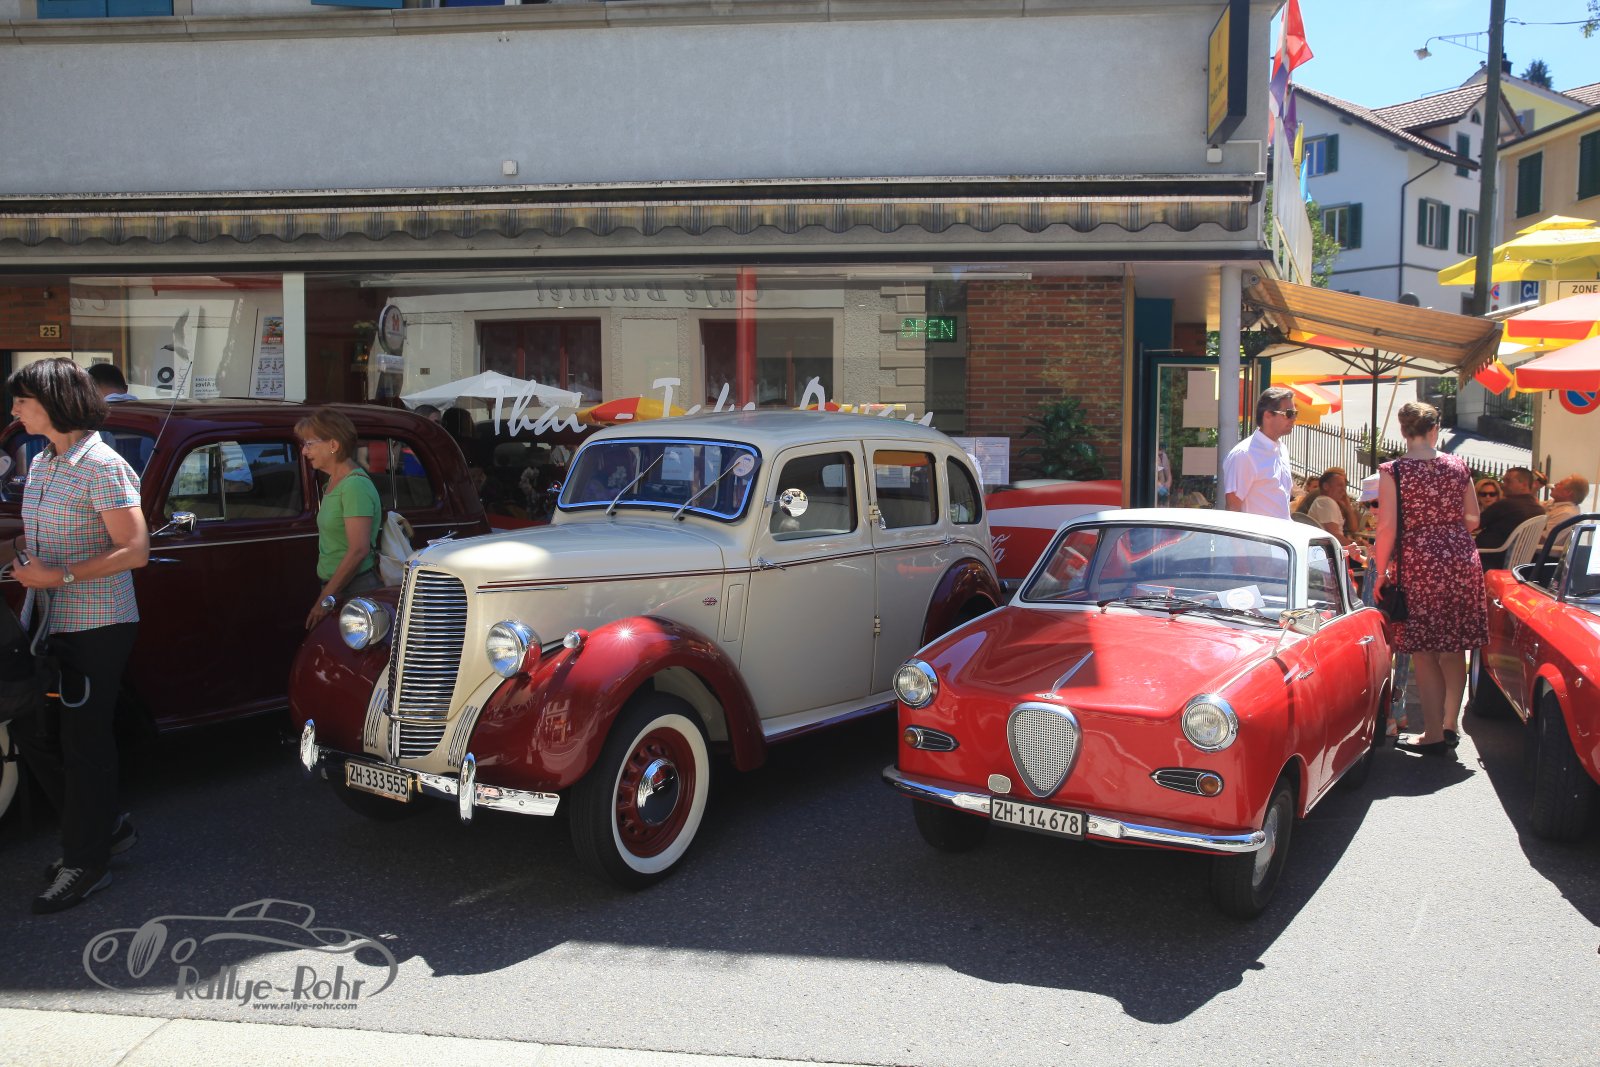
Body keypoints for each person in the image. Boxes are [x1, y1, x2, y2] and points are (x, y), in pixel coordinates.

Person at [4, 358, 149, 914]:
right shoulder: (44, 460)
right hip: (45, 618)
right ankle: (100, 828)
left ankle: (86, 862)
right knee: (31, 726)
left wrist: (58, 576)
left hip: (96, 623)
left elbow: (135, 550)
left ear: (54, 402)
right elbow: (38, 539)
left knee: (83, 742)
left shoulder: (102, 464)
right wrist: (22, 561)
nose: (14, 409)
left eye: (22, 400)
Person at [1370, 401, 1486, 758]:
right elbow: (1473, 519)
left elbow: (1387, 527)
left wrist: (1380, 570)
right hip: (1461, 559)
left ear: (1403, 431)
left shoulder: (1394, 471)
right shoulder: (1457, 465)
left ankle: (1433, 733)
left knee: (1424, 651)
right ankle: (1451, 725)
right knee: (1453, 647)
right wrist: (1447, 531)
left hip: (1419, 562)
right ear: (1435, 429)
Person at [297, 408, 382, 631]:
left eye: (309, 444)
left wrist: (324, 599)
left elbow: (358, 550)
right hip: (339, 587)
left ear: (333, 445)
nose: (304, 451)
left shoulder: (354, 485)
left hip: (354, 589)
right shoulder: (334, 483)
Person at [1223, 387, 1296, 519]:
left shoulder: (1282, 449)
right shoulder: (1244, 455)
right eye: (1289, 413)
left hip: (1281, 531)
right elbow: (1232, 510)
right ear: (1267, 415)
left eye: (1295, 413)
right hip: (1253, 533)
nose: (1294, 418)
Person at [1474, 466, 1545, 569]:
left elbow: (1474, 525)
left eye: (1508, 481)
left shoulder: (1506, 505)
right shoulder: (1539, 510)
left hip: (1487, 559)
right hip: (1516, 563)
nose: (1503, 485)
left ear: (1524, 485)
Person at [1541, 474, 1589, 544]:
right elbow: (1532, 506)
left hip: (1540, 550)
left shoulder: (1566, 514)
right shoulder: (1555, 504)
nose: (1555, 484)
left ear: (1568, 493)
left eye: (1560, 484)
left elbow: (1543, 540)